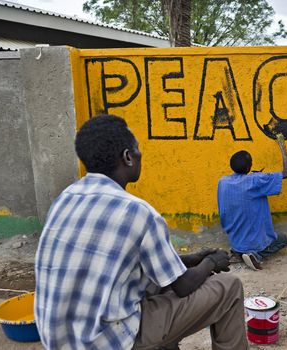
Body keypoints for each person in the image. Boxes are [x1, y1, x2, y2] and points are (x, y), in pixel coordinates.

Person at [34, 115, 249, 350]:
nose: (140, 154)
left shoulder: (65, 199)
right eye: (137, 149)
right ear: (127, 157)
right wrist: (210, 263)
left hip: (59, 339)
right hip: (107, 340)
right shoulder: (138, 212)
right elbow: (184, 286)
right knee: (229, 287)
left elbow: (137, 265)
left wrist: (191, 259)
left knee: (156, 286)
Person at [217, 134, 287, 271]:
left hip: (235, 240)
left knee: (244, 234)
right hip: (254, 242)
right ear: (248, 167)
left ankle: (238, 252)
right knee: (283, 240)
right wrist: (282, 146)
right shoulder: (255, 181)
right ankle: (255, 255)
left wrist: (256, 175)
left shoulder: (223, 182)